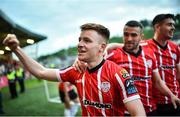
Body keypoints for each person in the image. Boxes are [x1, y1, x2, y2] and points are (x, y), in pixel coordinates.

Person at [3, 23, 146, 116]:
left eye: (87, 41)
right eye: (80, 39)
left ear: (102, 47)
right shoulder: (76, 71)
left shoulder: (119, 74)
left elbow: (139, 114)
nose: (80, 44)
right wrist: (16, 49)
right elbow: (41, 71)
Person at [73, 21, 180, 116]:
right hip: (126, 112)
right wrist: (79, 60)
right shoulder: (113, 55)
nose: (129, 39)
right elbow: (94, 58)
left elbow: (157, 81)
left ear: (141, 37)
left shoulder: (150, 54)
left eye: (133, 35)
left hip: (151, 109)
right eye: (126, 34)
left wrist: (171, 95)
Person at [146, 13, 180, 116]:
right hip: (156, 104)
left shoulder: (175, 48)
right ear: (157, 27)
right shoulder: (145, 46)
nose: (173, 28)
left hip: (176, 100)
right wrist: (110, 46)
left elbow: (178, 75)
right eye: (169, 24)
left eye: (173, 25)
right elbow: (127, 45)